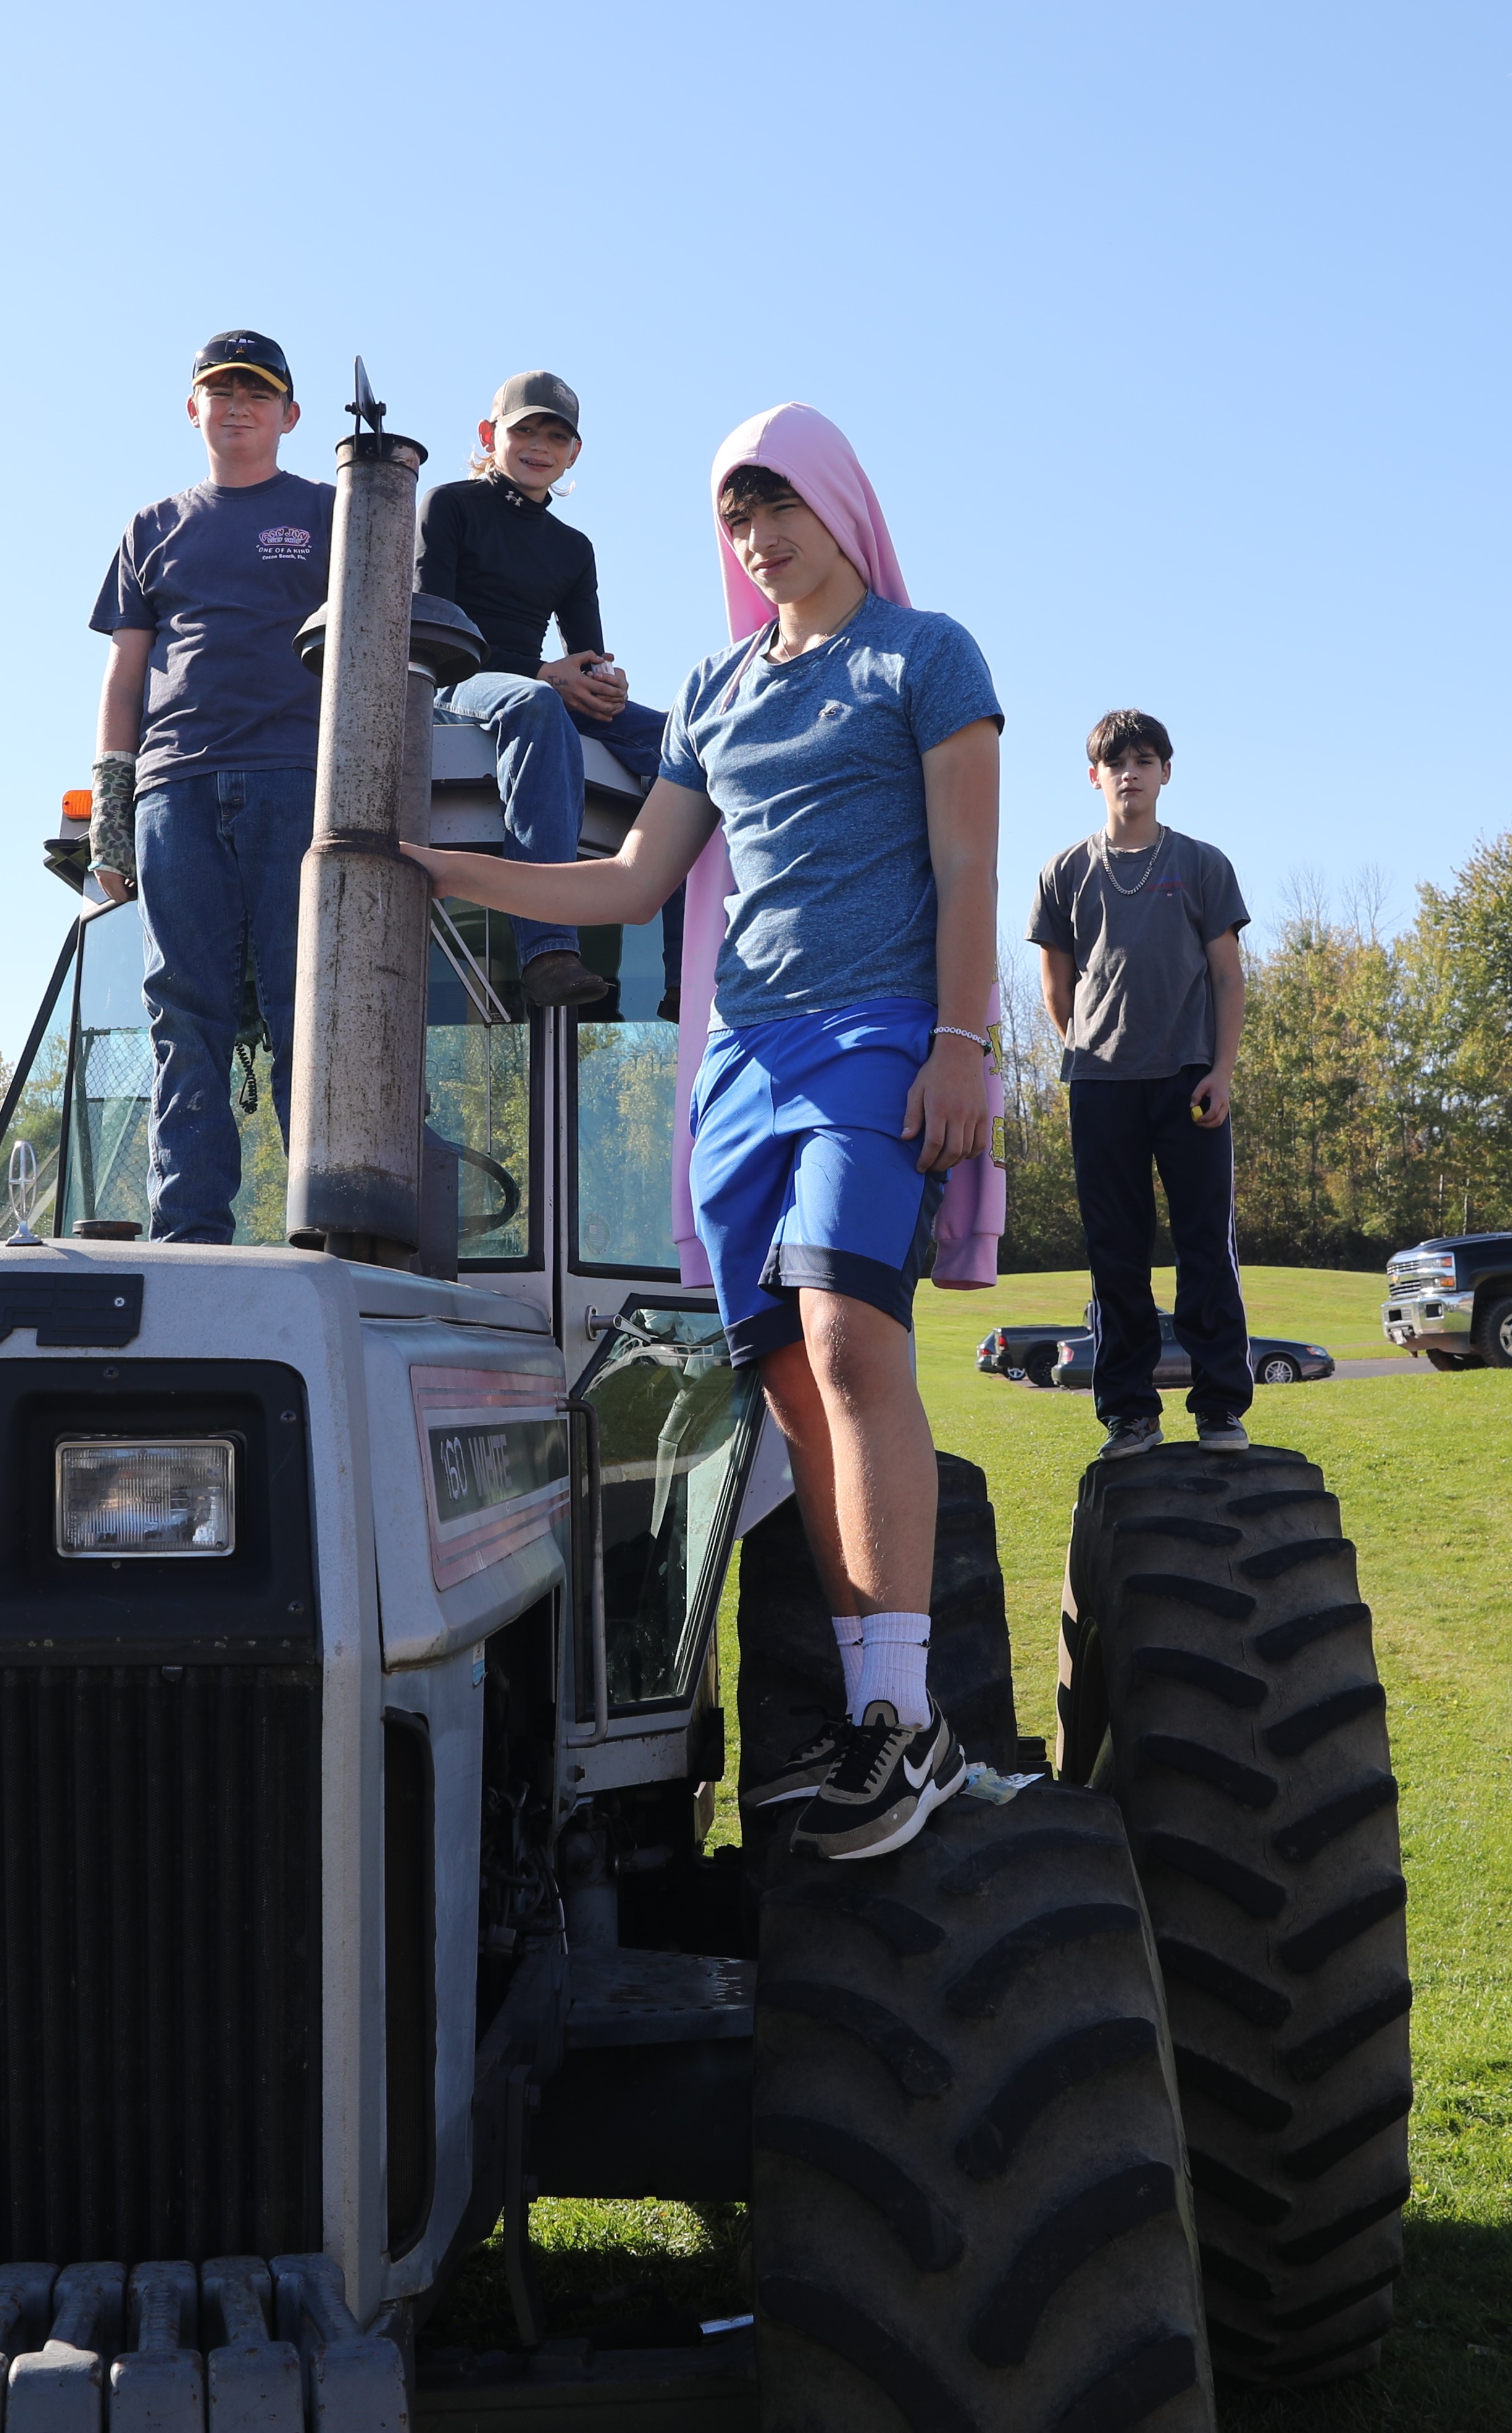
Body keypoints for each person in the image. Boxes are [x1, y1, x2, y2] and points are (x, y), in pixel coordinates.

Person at [403, 404, 1000, 1863]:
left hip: (872, 1036)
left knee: (854, 1343)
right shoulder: (716, 689)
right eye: (733, 516)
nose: (757, 534)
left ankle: (904, 1720)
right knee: (790, 1399)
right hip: (740, 1067)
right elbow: (625, 882)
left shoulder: (926, 659)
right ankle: (877, 1720)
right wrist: (428, 862)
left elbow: (965, 856)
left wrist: (962, 1042)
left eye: (776, 501)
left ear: (838, 503)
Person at [86, 331, 334, 1243]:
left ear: (290, 417)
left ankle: (323, 1220)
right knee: (183, 1007)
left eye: (257, 395)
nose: (236, 407)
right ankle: (187, 1231)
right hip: (173, 791)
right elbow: (125, 677)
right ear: (193, 409)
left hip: (293, 781)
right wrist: (112, 812)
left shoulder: (328, 511)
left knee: (298, 998)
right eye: (219, 392)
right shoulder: (151, 527)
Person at [1028, 711, 1254, 1457]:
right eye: (1116, 761)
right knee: (1115, 1255)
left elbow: (1228, 975)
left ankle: (1221, 1408)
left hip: (1190, 1081)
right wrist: (1090, 1056)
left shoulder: (1201, 864)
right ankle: (1130, 1414)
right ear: (1094, 775)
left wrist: (1221, 1071)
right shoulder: (1064, 872)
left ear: (1166, 772)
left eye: (1145, 758)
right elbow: (1056, 989)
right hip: (1101, 1086)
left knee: (1204, 1248)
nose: (1131, 771)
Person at [414, 372, 673, 1011]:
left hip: (529, 684)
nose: (539, 446)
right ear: (488, 435)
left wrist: (603, 685)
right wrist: (544, 678)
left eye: (555, 436)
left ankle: (687, 974)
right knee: (536, 704)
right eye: (523, 429)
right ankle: (549, 947)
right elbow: (435, 634)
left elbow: (588, 652)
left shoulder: (573, 548)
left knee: (683, 739)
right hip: (454, 681)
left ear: (574, 453)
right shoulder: (447, 506)